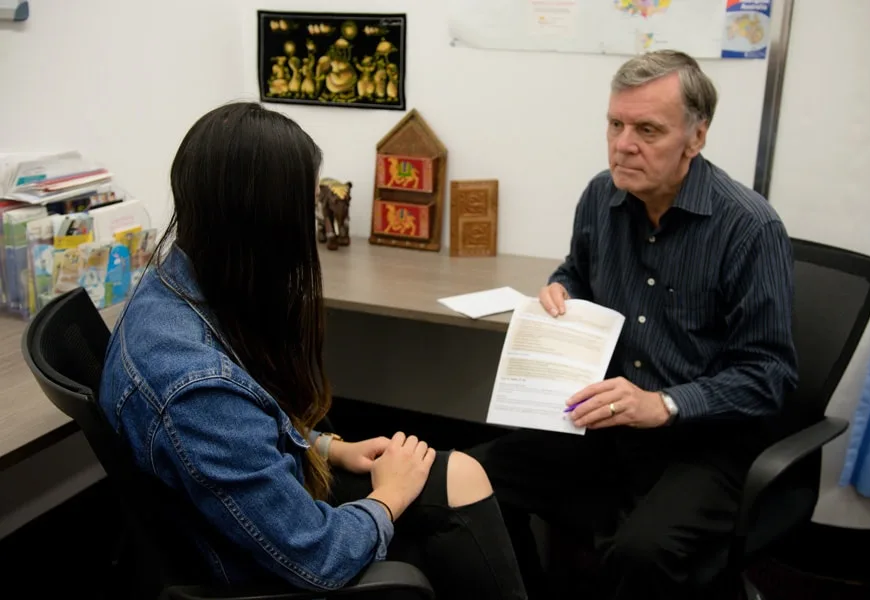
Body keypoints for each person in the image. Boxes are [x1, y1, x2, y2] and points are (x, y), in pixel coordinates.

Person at [98, 102, 527, 599]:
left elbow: (238, 434)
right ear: (263, 222)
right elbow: (319, 559)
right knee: (455, 488)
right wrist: (390, 495)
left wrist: (327, 447)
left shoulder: (171, 282)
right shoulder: (195, 389)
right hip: (265, 568)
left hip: (247, 517)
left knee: (460, 475)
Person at [468, 50, 798, 599]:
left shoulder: (750, 228)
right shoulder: (602, 195)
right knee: (470, 485)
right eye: (616, 124)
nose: (624, 144)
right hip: (610, 423)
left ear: (696, 138)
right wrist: (561, 290)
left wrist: (665, 404)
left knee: (641, 552)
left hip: (706, 439)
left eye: (648, 129)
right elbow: (577, 270)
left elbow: (769, 375)